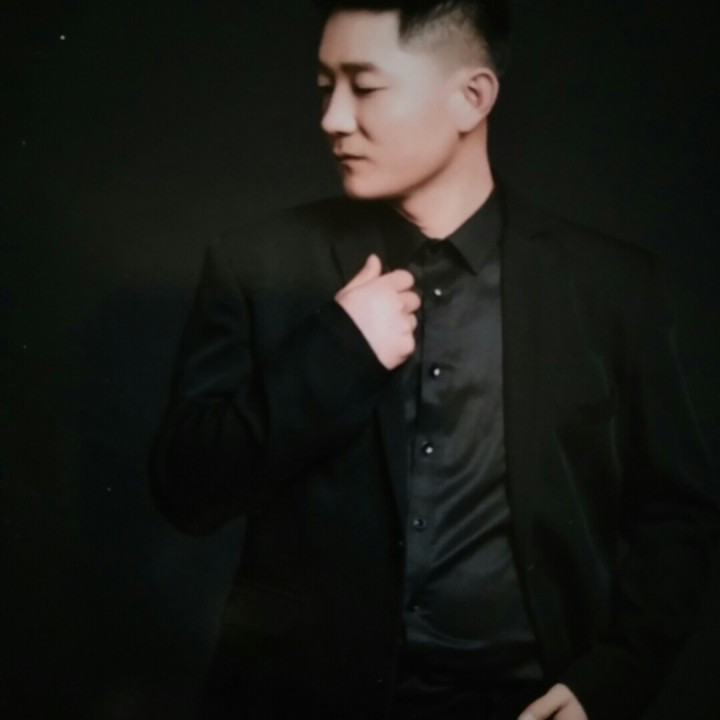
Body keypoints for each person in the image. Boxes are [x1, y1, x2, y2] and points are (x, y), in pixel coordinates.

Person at [149, 2, 718, 718]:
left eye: (365, 86)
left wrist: (608, 682)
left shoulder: (612, 287)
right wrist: (337, 350)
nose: (332, 118)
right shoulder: (256, 263)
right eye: (325, 87)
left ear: (472, 98)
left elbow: (676, 517)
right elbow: (186, 491)